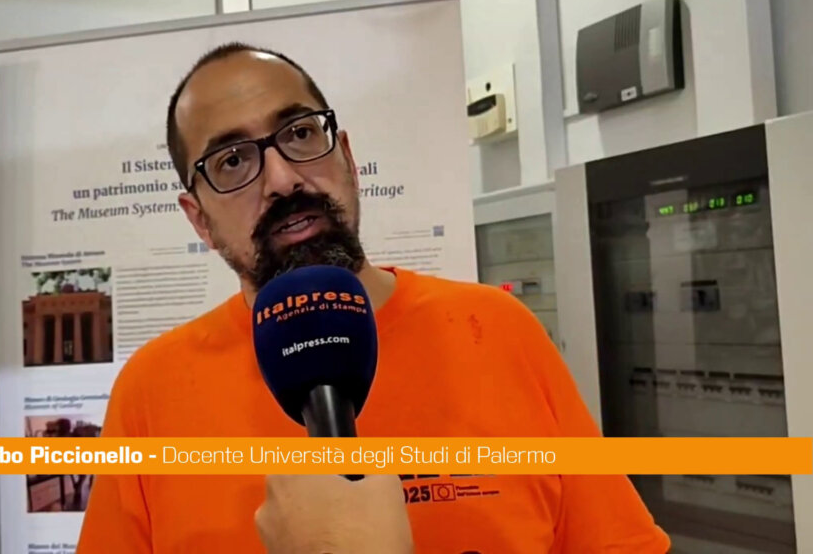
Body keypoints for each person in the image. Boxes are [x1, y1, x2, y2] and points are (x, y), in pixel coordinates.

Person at [76, 42, 671, 553]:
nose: (283, 178)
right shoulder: (151, 393)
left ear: (348, 158)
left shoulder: (498, 330)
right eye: (232, 160)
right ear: (199, 219)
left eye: (300, 133)